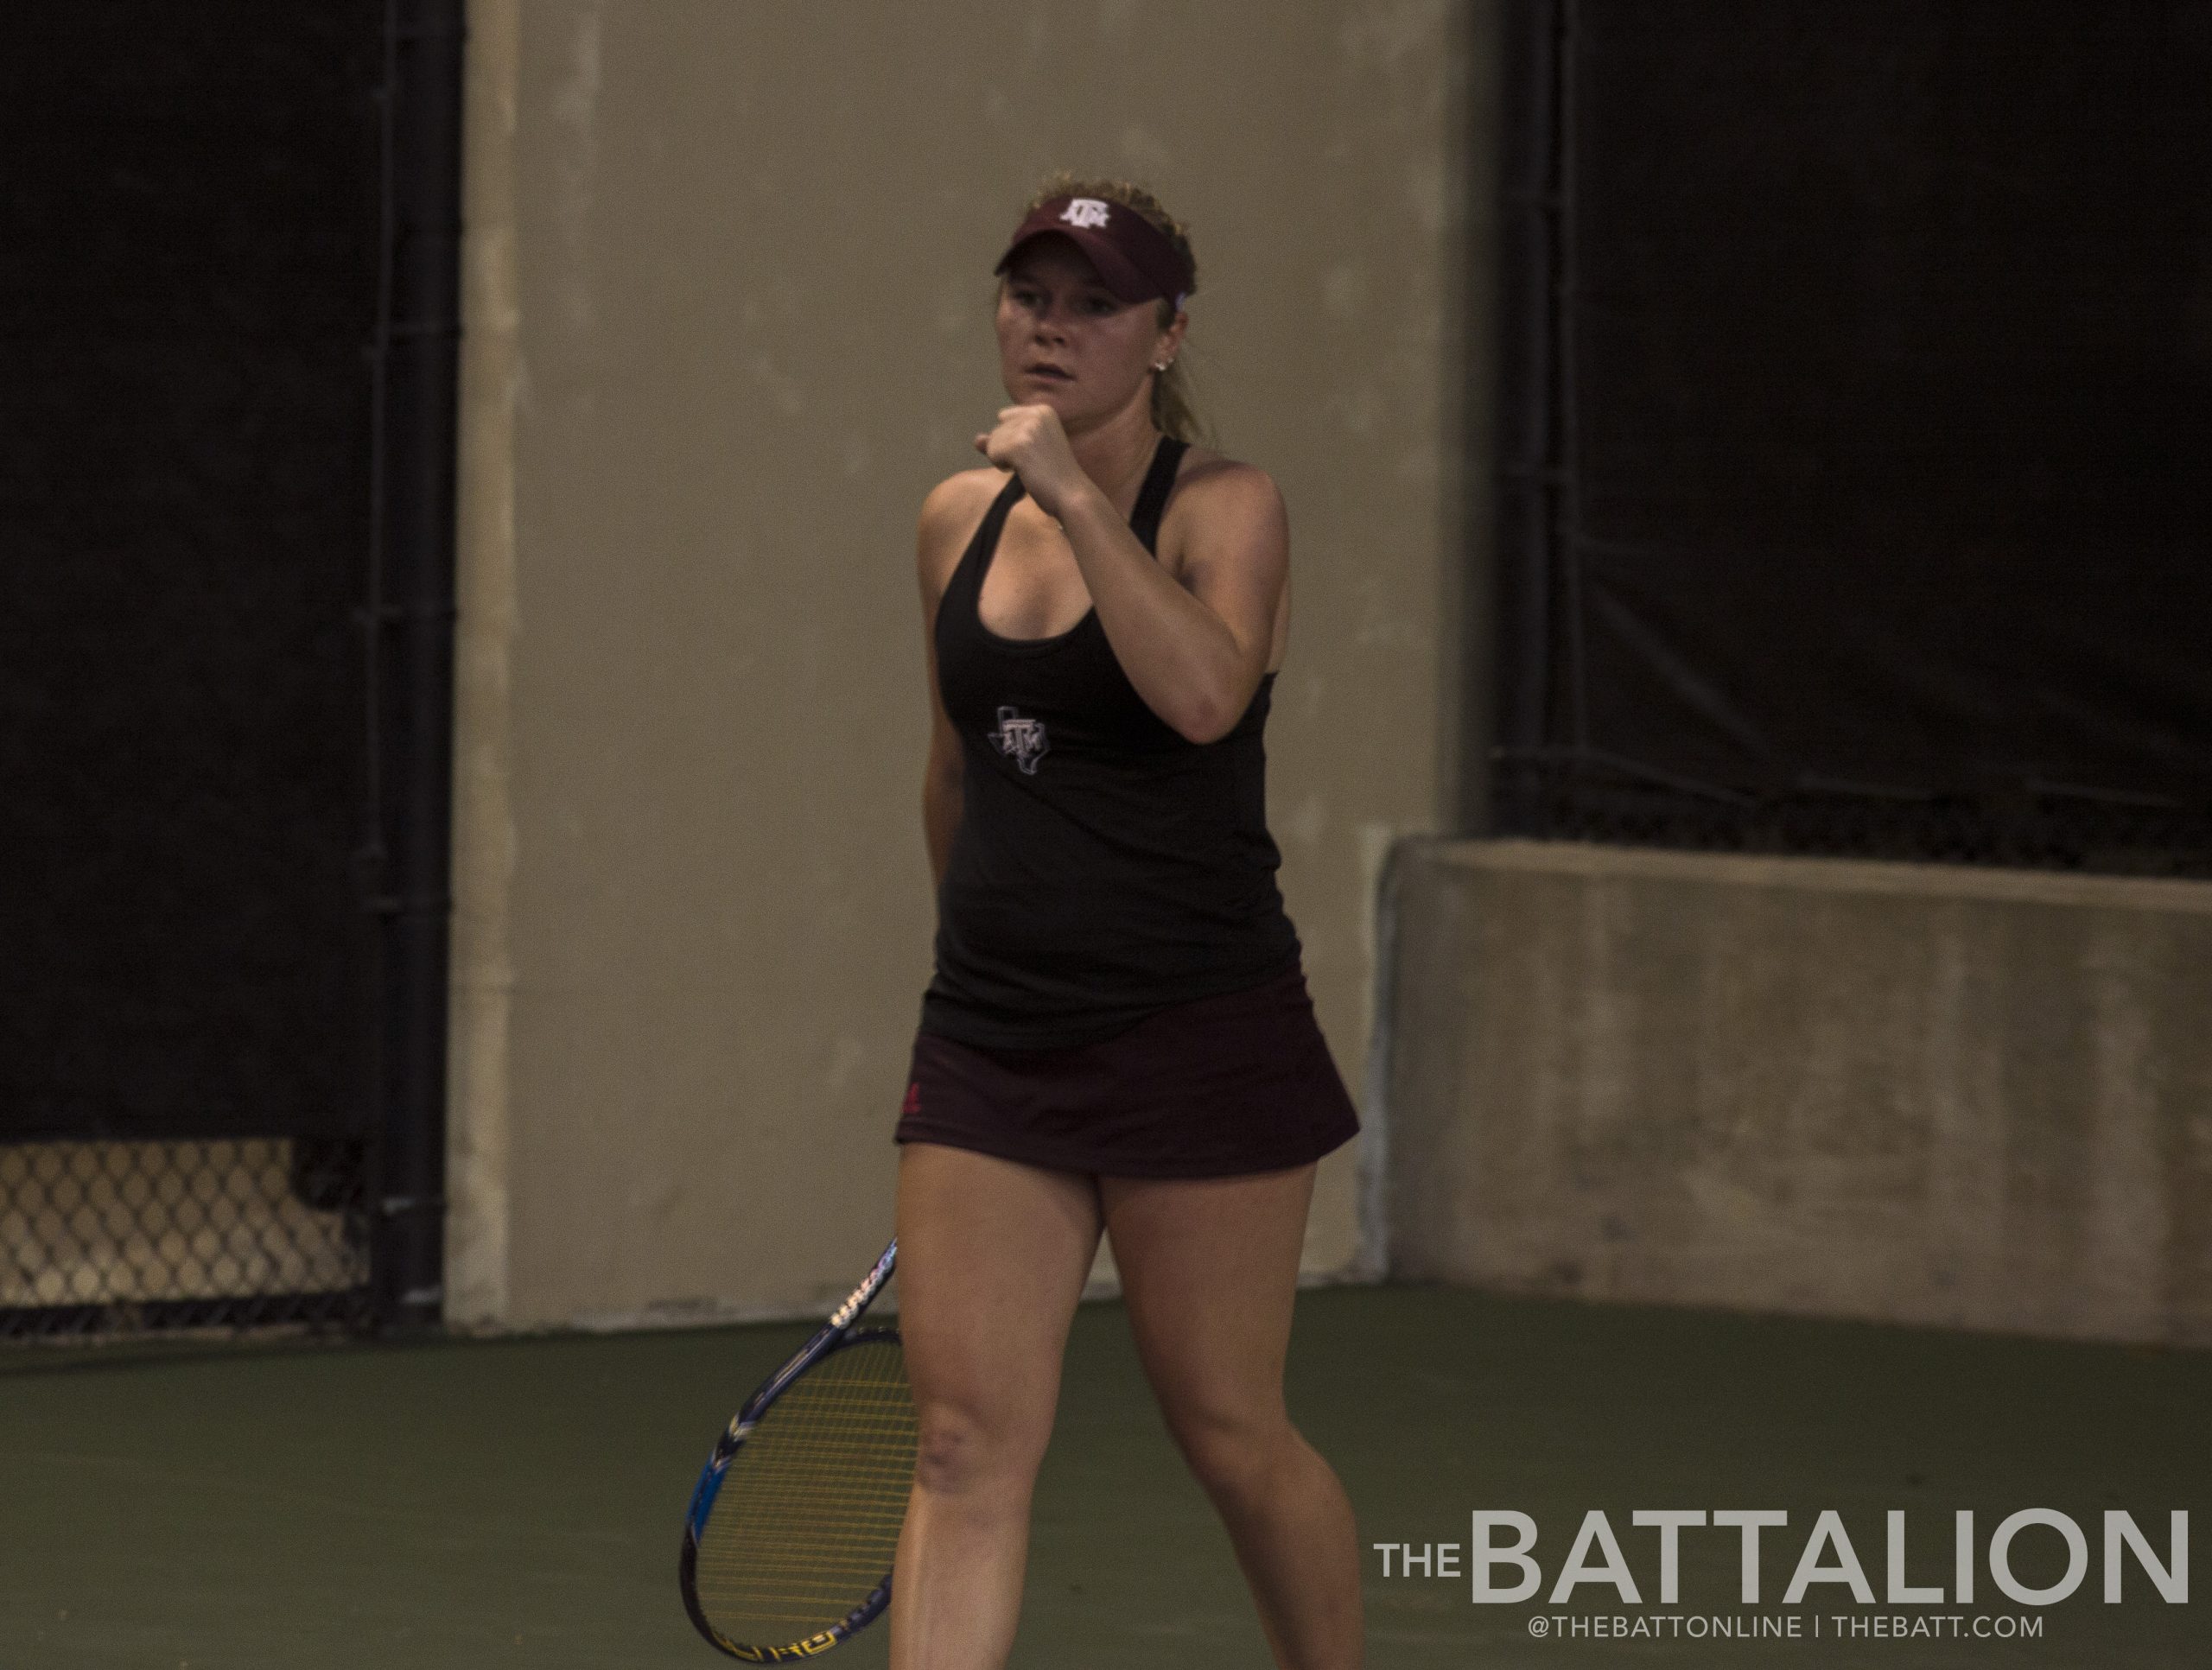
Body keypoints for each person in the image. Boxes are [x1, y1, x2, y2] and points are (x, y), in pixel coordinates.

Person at [888, 174, 1364, 1670]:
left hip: (1200, 1032)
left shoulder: (1228, 507)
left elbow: (1207, 696)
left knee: (1230, 1433)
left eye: (1097, 303)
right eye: (1032, 295)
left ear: (1166, 334)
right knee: (964, 1447)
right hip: (992, 1045)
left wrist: (1080, 497)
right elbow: (956, 769)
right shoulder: (951, 520)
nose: (1054, 327)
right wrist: (984, 959)